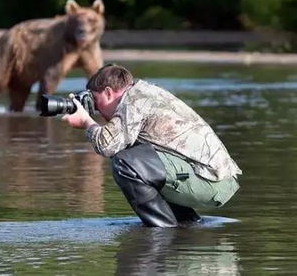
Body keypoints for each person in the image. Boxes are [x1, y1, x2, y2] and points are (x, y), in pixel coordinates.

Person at [62, 64, 242, 227]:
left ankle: (162, 231)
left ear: (109, 92)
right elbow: (118, 143)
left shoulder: (134, 101)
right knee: (138, 159)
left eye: (95, 101)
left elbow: (107, 146)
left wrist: (86, 122)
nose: (97, 109)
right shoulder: (143, 92)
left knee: (125, 163)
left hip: (210, 180)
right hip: (214, 178)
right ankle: (187, 224)